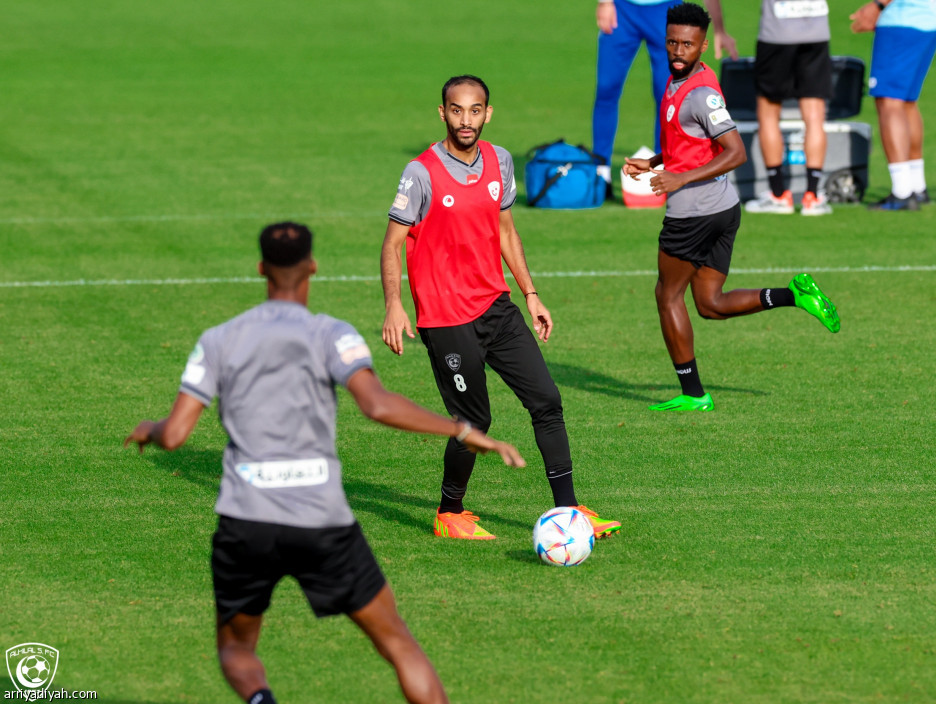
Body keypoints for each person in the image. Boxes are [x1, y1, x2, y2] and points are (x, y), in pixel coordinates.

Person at [125, 222, 527, 704]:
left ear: (261, 268)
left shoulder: (218, 340)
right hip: (321, 519)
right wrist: (461, 430)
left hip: (247, 522)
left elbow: (174, 435)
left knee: (235, 650)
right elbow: (377, 404)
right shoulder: (332, 334)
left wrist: (150, 428)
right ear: (313, 266)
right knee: (398, 644)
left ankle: (261, 699)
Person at [381, 75, 621, 540]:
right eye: (456, 110)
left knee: (547, 400)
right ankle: (449, 512)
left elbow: (507, 231)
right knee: (474, 421)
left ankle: (570, 509)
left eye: (475, 110)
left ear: (487, 113)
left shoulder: (501, 161)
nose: (465, 119)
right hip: (446, 318)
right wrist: (394, 304)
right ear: (442, 112)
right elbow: (392, 243)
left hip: (496, 306)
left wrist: (531, 293)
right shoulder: (421, 172)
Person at [622, 3, 841, 412]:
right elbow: (692, 143)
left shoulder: (701, 94)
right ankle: (794, 296)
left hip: (694, 213)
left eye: (688, 44)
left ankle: (693, 394)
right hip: (722, 209)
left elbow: (735, 151)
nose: (678, 51)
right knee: (710, 304)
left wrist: (679, 179)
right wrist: (653, 162)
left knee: (668, 296)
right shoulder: (681, 80)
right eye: (672, 42)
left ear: (704, 45)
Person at [592, 0, 737, 197]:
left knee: (669, 94)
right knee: (606, 88)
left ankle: (665, 172)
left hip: (665, 9)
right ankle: (601, 172)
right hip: (622, 9)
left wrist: (719, 29)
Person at [850, 0, 936, 210]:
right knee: (906, 101)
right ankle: (916, 186)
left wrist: (878, 5)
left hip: (903, 18)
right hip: (929, 17)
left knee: (889, 101)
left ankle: (902, 192)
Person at [743, 0, 835, 216]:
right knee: (814, 115)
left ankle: (778, 195)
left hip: (777, 33)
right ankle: (812, 196)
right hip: (816, 31)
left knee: (768, 112)